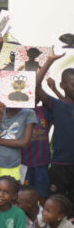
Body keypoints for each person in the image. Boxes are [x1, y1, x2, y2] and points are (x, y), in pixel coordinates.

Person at [0, 92, 36, 199]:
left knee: (11, 200)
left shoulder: (29, 113)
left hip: (13, 163)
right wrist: (0, 114)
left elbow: (24, 142)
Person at [35, 53, 74, 198]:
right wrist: (49, 61)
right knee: (57, 201)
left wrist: (55, 90)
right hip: (60, 164)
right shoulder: (57, 105)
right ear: (63, 85)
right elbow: (36, 86)